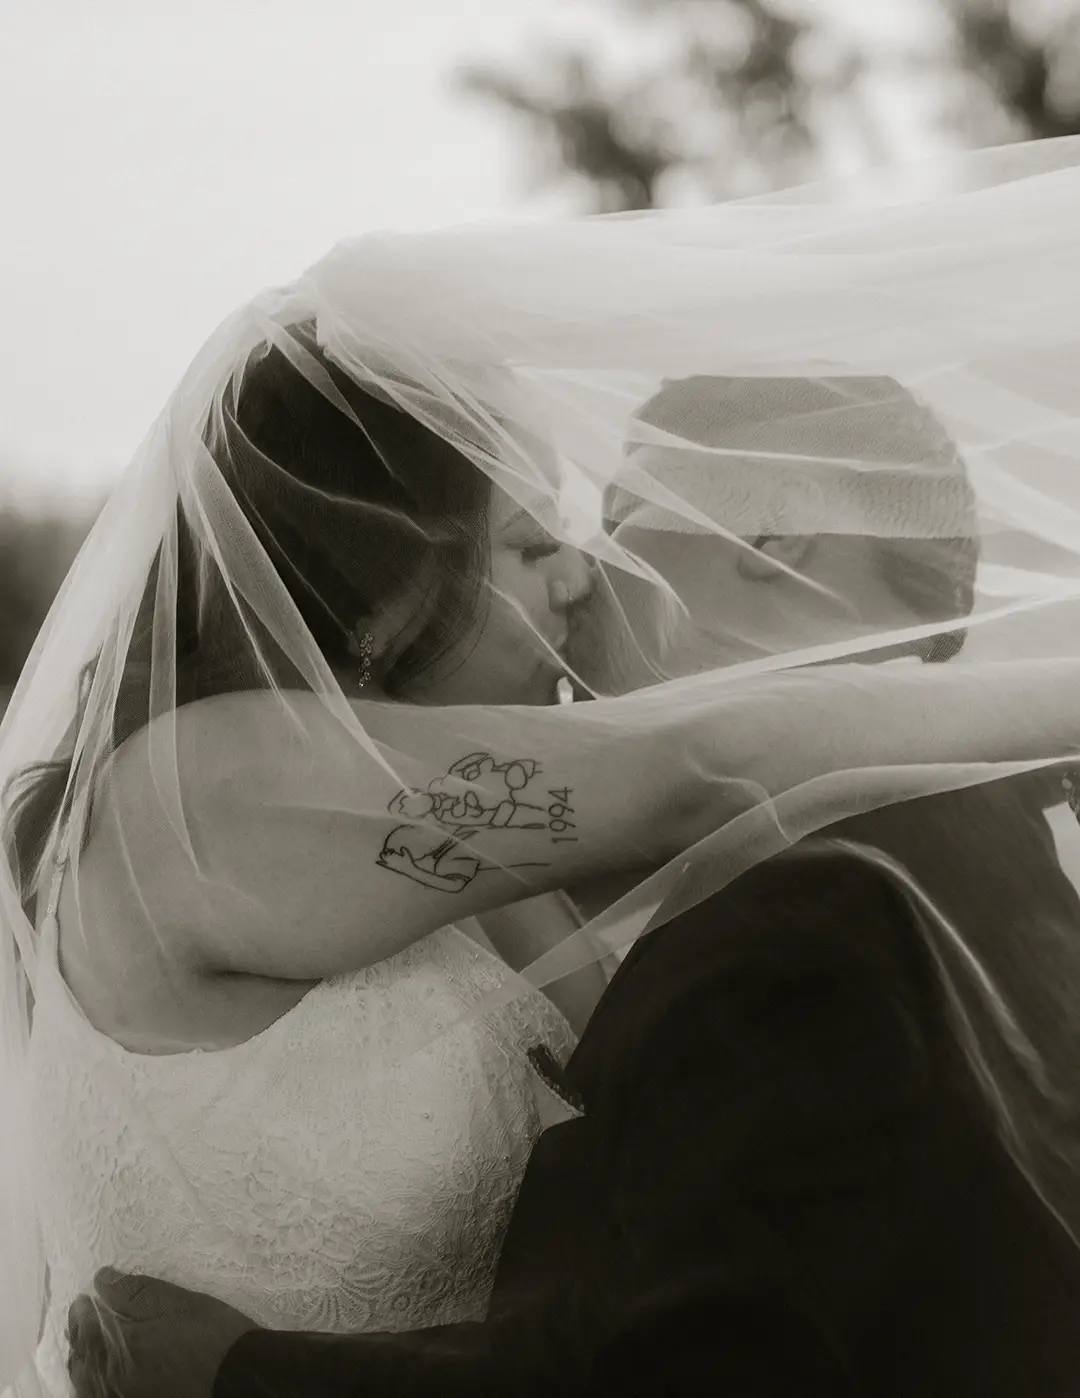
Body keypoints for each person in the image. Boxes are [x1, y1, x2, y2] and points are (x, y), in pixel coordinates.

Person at [10, 136, 1080, 1397]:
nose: (582, 578)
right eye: (531, 545)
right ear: (385, 580)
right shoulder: (202, 791)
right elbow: (702, 763)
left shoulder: (503, 876)